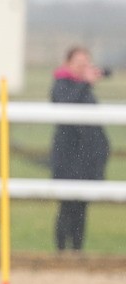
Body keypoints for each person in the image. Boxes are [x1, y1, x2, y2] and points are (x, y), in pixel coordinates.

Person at [50, 46, 110, 251]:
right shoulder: (61, 84)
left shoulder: (83, 88)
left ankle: (77, 251)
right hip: (68, 156)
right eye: (79, 64)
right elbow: (65, 105)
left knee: (82, 208)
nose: (83, 68)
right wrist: (84, 83)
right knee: (67, 206)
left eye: (87, 64)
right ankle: (61, 251)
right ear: (67, 64)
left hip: (87, 157)